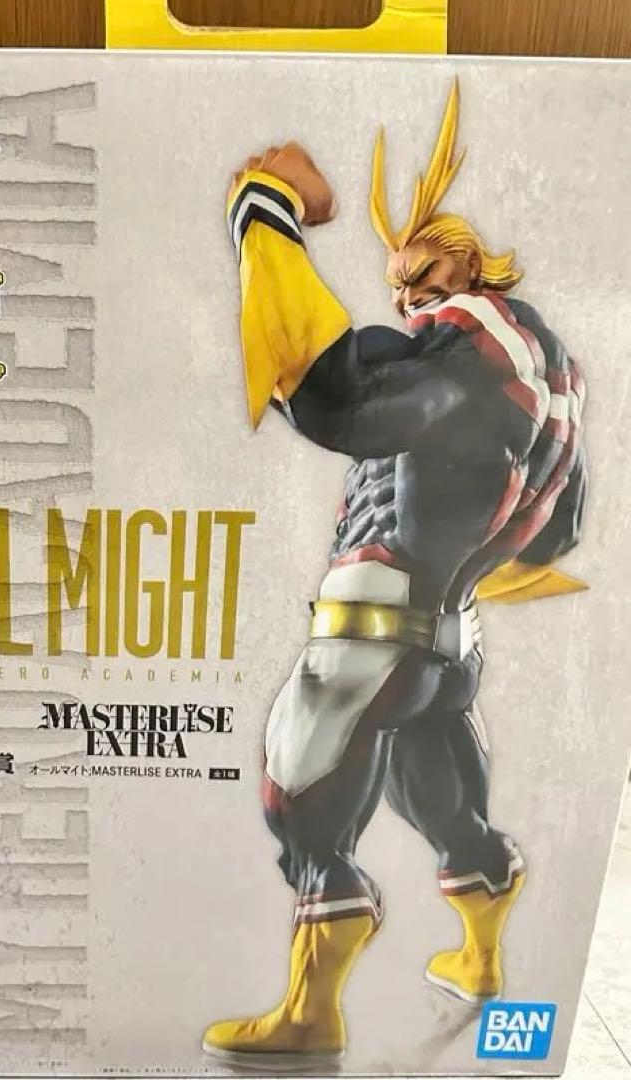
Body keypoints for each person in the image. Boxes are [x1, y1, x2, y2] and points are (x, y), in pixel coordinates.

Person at [202, 82, 587, 1068]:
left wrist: (264, 208)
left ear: (471, 262)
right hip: (448, 635)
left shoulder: (471, 339)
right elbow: (558, 531)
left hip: (369, 628)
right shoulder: (549, 369)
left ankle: (311, 1014)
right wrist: (462, 550)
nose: (408, 296)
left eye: (424, 272)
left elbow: (342, 398)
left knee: (301, 798)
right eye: (398, 285)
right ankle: (482, 960)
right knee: (446, 804)